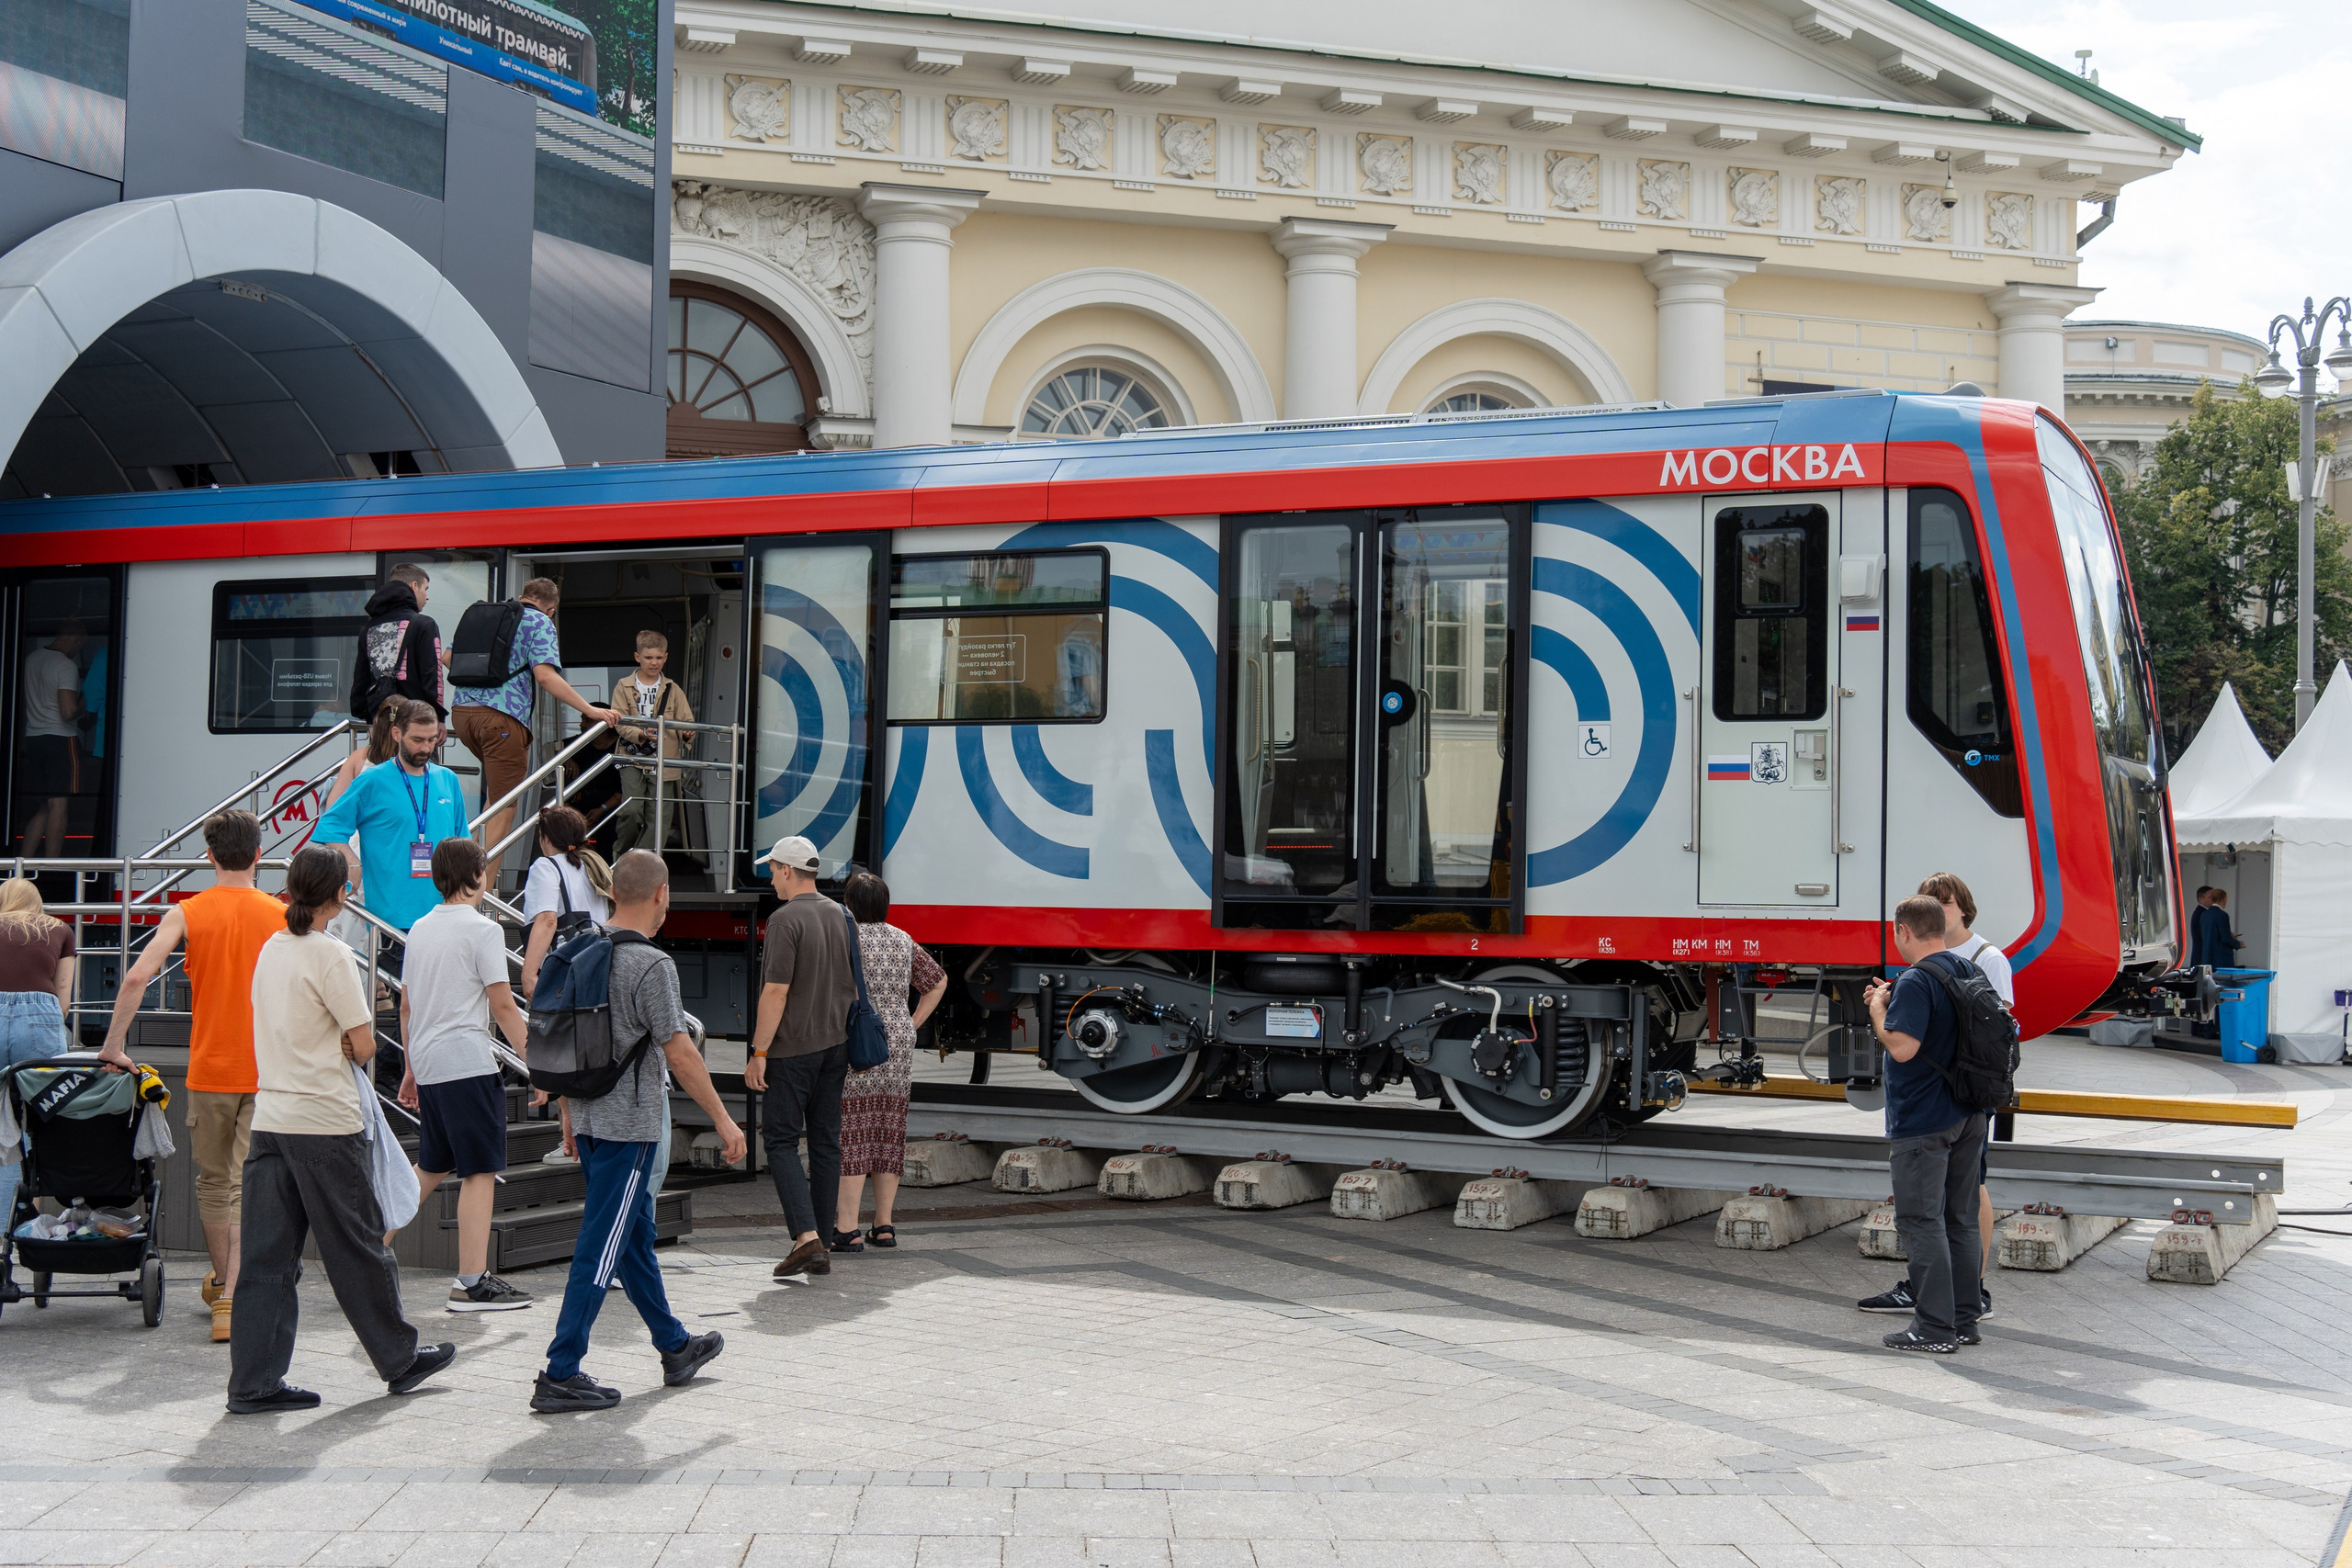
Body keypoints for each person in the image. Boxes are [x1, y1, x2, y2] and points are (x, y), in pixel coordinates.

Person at [229, 845, 455, 1414]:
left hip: (272, 1117)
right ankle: (400, 1359)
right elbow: (363, 1043)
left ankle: (253, 1383)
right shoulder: (332, 955)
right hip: (326, 1121)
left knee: (265, 1259)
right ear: (339, 894)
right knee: (357, 1247)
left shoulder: (271, 950)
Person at [535, 850, 744, 1413]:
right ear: (661, 894)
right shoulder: (652, 965)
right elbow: (680, 1051)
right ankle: (560, 1370)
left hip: (592, 1115)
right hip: (630, 1126)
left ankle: (675, 1346)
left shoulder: (578, 947)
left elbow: (567, 1042)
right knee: (602, 1244)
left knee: (632, 1240)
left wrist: (568, 1117)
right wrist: (725, 1119)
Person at [96, 811, 285, 1343]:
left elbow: (137, 975)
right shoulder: (278, 914)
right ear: (257, 856)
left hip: (209, 1069)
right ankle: (232, 1298)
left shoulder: (188, 912)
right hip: (266, 1070)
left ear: (209, 856)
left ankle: (224, 1286)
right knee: (250, 1184)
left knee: (215, 1181)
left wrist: (112, 1047)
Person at [1860, 873, 2010, 1325]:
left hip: (1924, 1120)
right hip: (1968, 1112)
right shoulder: (1968, 968)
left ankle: (1933, 1326)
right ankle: (1964, 1319)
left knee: (1921, 1221)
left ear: (1902, 931)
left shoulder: (1917, 980)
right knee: (1960, 1220)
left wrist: (1877, 1010)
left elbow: (1903, 1047)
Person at [398, 836, 533, 1313]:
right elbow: (501, 1003)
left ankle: (367, 1247)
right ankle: (472, 1282)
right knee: (480, 1170)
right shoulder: (483, 931)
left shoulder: (419, 928)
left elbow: (407, 1005)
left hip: (432, 1062)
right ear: (476, 876)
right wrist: (536, 1062)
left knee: (432, 1164)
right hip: (467, 1062)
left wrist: (412, 1066)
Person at [741, 835, 857, 1281]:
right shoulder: (840, 913)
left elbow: (776, 990)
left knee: (781, 1140)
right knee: (827, 1142)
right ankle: (823, 1244)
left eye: (772, 870)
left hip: (792, 1049)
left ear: (788, 870)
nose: (771, 878)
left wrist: (759, 1052)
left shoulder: (785, 920)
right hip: (836, 1045)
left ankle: (806, 1236)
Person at [448, 578, 616, 859]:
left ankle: (469, 875)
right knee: (505, 806)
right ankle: (474, 891)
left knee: (495, 799)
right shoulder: (540, 622)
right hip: (502, 720)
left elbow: (447, 658)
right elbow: (545, 676)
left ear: (522, 595)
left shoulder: (487, 618)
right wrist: (590, 710)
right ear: (551, 609)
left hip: (462, 715)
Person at [832, 873, 947, 1252]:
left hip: (857, 1042)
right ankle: (884, 1225)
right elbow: (937, 981)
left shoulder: (844, 939)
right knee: (887, 1128)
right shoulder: (902, 939)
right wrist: (912, 1023)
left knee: (854, 1131)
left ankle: (847, 1227)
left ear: (849, 905)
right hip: (896, 1041)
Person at [0, 878, 75, 1231]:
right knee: (41, 1119)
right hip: (40, 1017)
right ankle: (29, 1219)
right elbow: (63, 998)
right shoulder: (61, 930)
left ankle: (2, 1222)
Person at [610, 630, 696, 859]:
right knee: (631, 811)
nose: (654, 662)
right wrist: (642, 734)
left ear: (666, 657)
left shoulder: (672, 688)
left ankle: (638, 862)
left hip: (664, 761)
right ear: (637, 657)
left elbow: (687, 723)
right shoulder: (624, 685)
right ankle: (621, 858)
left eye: (659, 657)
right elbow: (619, 722)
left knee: (659, 820)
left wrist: (687, 733)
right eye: (649, 657)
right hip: (632, 758)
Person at [518, 805, 615, 1002]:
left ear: (546, 839)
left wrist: (529, 976)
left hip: (562, 974)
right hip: (597, 969)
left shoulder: (546, 867)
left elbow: (547, 920)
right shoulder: (592, 866)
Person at [17, 619, 85, 859]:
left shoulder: (32, 659)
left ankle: (21, 869)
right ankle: (53, 866)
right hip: (60, 739)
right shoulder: (65, 666)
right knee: (59, 805)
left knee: (44, 806)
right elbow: (67, 712)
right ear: (77, 637)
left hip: (34, 738)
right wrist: (84, 704)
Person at [352, 564, 447, 727]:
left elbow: (361, 679)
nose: (427, 596)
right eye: (426, 588)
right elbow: (432, 676)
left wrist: (369, 717)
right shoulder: (424, 624)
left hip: (381, 721)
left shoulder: (369, 628)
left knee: (383, 754)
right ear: (414, 586)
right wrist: (438, 718)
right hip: (417, 723)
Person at [321, 695, 410, 816]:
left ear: (377, 721)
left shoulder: (358, 758)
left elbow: (333, 809)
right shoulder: (417, 760)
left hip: (359, 832)